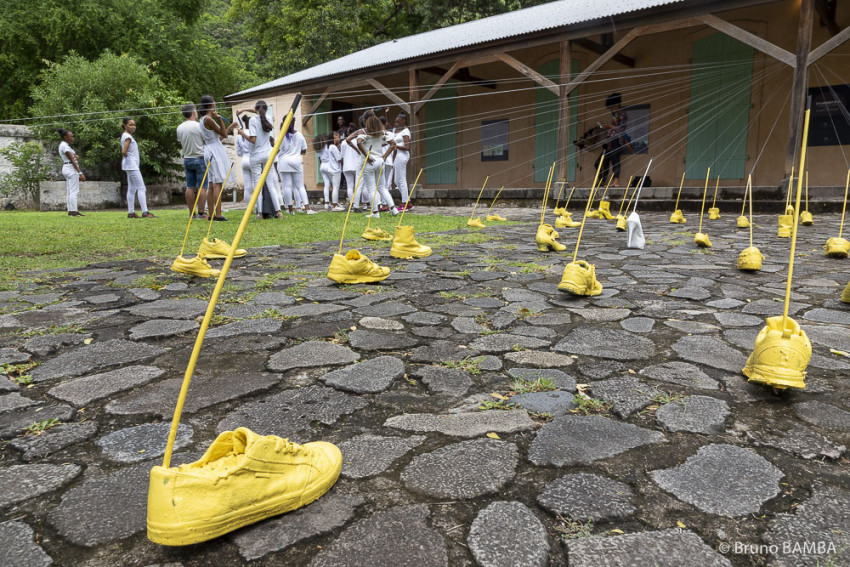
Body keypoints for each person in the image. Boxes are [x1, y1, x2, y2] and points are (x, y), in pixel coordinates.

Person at [237, 101, 283, 219]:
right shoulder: (267, 117)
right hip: (268, 155)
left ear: (256, 109)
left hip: (256, 156)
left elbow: (252, 139)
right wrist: (245, 109)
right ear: (266, 109)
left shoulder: (252, 121)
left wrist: (242, 133)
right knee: (271, 184)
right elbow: (259, 111)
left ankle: (260, 213)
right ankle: (279, 212)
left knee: (257, 185)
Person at [198, 95, 238, 221]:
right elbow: (224, 134)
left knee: (211, 183)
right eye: (214, 102)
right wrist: (219, 118)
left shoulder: (203, 119)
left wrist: (230, 126)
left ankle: (211, 214)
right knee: (217, 183)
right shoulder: (209, 119)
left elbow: (217, 138)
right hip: (214, 152)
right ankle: (218, 215)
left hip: (211, 148)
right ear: (210, 105)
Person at [356, 115, 399, 218]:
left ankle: (375, 213)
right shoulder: (382, 133)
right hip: (380, 161)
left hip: (369, 162)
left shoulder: (364, 132)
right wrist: (384, 156)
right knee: (382, 187)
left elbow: (358, 142)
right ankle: (393, 208)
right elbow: (393, 143)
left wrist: (367, 155)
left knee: (371, 188)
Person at [176, 103, 208, 219]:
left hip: (187, 158)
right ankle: (201, 212)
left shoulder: (179, 127)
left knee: (189, 186)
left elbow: (181, 142)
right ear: (194, 112)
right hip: (199, 158)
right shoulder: (198, 126)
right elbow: (205, 140)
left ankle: (191, 213)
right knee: (202, 186)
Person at [121, 118, 155, 218]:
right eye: (130, 125)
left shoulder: (125, 136)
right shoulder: (128, 137)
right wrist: (128, 157)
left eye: (134, 125)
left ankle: (131, 212)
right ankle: (145, 212)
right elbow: (124, 151)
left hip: (129, 165)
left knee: (132, 188)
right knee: (141, 187)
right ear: (125, 125)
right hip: (131, 165)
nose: (133, 127)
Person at [278, 121, 314, 214]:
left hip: (284, 162)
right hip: (296, 162)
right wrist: (296, 153)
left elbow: (276, 149)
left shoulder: (281, 136)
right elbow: (304, 150)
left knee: (287, 187)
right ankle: (307, 208)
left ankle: (290, 210)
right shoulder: (299, 135)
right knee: (300, 186)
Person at [601, 92, 628, 187]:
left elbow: (621, 128)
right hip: (610, 139)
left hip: (617, 139)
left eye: (612, 107)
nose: (611, 109)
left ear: (616, 105)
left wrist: (609, 126)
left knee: (615, 159)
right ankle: (603, 181)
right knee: (605, 160)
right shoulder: (614, 114)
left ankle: (616, 181)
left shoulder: (622, 114)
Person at [57, 128, 85, 216]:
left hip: (67, 167)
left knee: (70, 191)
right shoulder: (65, 146)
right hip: (70, 168)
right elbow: (72, 160)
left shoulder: (64, 145)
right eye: (71, 136)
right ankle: (74, 211)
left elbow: (73, 157)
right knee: (74, 191)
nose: (73, 138)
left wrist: (75, 157)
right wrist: (80, 173)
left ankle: (71, 210)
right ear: (65, 137)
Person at [391, 112, 412, 210]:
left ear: (404, 121)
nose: (396, 123)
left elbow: (408, 147)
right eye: (395, 121)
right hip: (397, 156)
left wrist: (396, 146)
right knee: (396, 181)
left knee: (402, 179)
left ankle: (405, 203)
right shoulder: (397, 131)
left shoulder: (406, 132)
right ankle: (408, 202)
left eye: (398, 121)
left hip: (403, 156)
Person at [235, 114, 254, 211]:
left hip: (244, 159)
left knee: (247, 187)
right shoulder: (253, 133)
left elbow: (238, 152)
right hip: (253, 158)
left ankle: (248, 208)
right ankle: (258, 207)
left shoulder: (239, 135)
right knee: (256, 185)